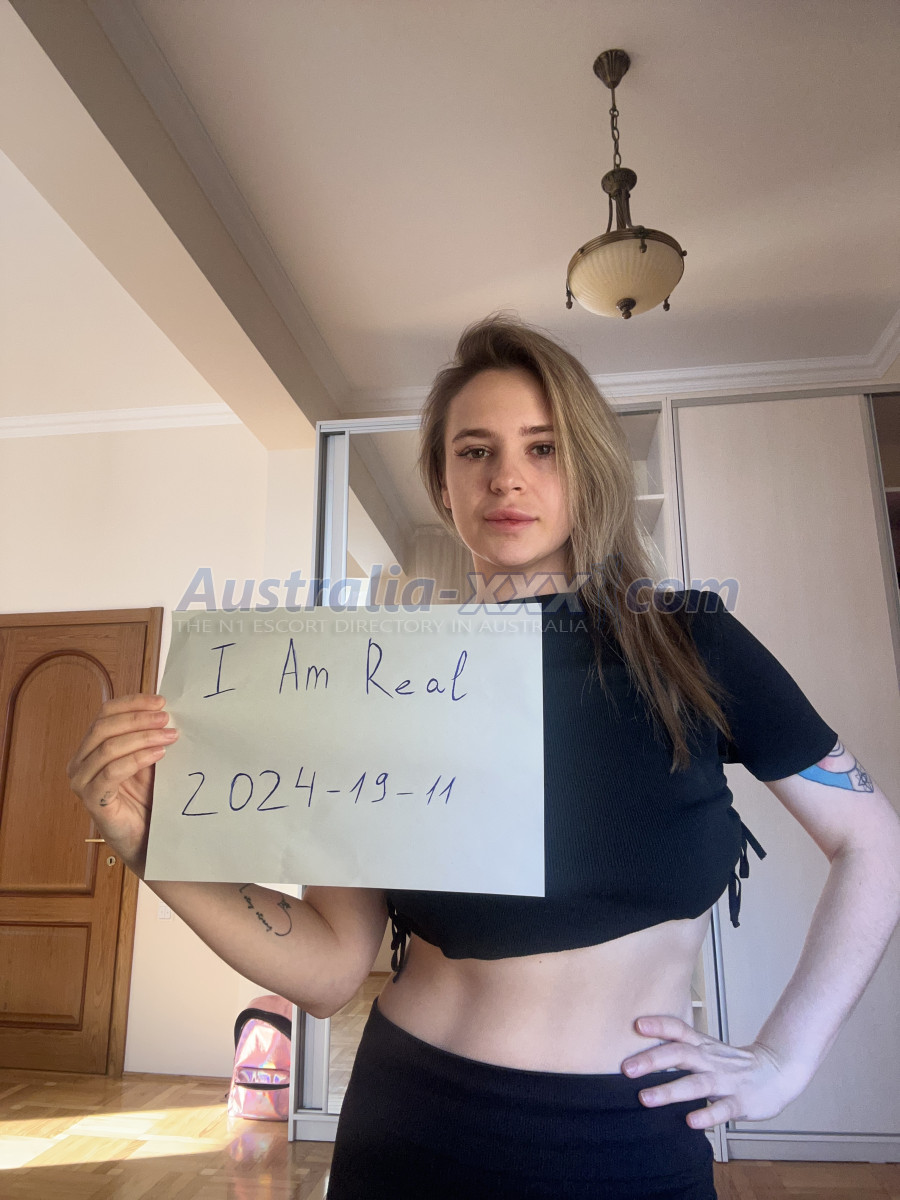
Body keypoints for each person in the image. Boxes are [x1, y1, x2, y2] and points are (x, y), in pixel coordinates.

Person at [68, 317, 900, 1200]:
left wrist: (783, 1058)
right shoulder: (380, 677)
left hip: (630, 1141)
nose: (507, 476)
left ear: (588, 468)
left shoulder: (690, 641)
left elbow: (872, 843)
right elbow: (330, 969)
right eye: (475, 451)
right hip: (410, 1123)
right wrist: (151, 844)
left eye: (544, 447)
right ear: (442, 480)